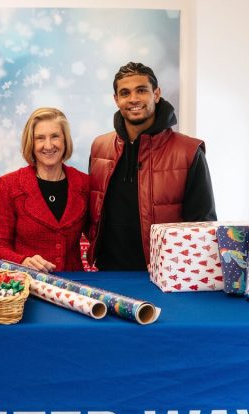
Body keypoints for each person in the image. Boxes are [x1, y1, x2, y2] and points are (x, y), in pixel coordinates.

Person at [87, 62, 217, 270]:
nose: (134, 99)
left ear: (156, 94)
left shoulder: (189, 151)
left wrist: (177, 267)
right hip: (108, 273)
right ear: (116, 99)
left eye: (141, 90)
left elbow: (203, 225)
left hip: (166, 275)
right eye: (125, 93)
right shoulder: (99, 148)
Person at [0, 107, 90, 272]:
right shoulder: (9, 185)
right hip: (26, 284)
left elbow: (99, 237)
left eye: (55, 136)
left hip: (75, 286)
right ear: (31, 142)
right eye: (40, 138)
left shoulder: (85, 183)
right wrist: (23, 261)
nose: (48, 145)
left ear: (65, 140)